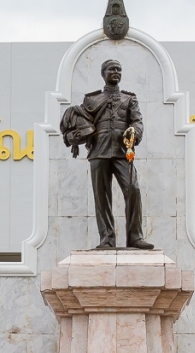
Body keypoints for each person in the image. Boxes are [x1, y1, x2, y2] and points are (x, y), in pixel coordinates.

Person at [62, 59, 152, 250]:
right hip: (99, 151)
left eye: (119, 69)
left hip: (122, 151)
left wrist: (134, 132)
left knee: (133, 190)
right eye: (112, 69)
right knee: (101, 197)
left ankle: (135, 237)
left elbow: (138, 121)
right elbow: (81, 121)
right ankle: (107, 238)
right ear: (103, 73)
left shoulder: (129, 99)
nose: (116, 72)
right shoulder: (92, 100)